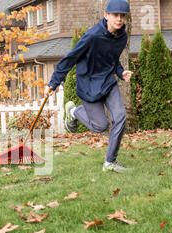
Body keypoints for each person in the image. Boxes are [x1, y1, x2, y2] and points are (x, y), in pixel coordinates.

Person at [45, 0, 133, 173]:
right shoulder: (92, 36)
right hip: (88, 85)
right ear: (106, 15)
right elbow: (70, 58)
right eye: (115, 15)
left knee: (120, 117)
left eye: (123, 15)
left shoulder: (122, 37)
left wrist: (121, 72)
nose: (119, 19)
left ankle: (110, 162)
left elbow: (112, 59)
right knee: (100, 126)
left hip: (108, 82)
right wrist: (53, 82)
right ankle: (73, 112)